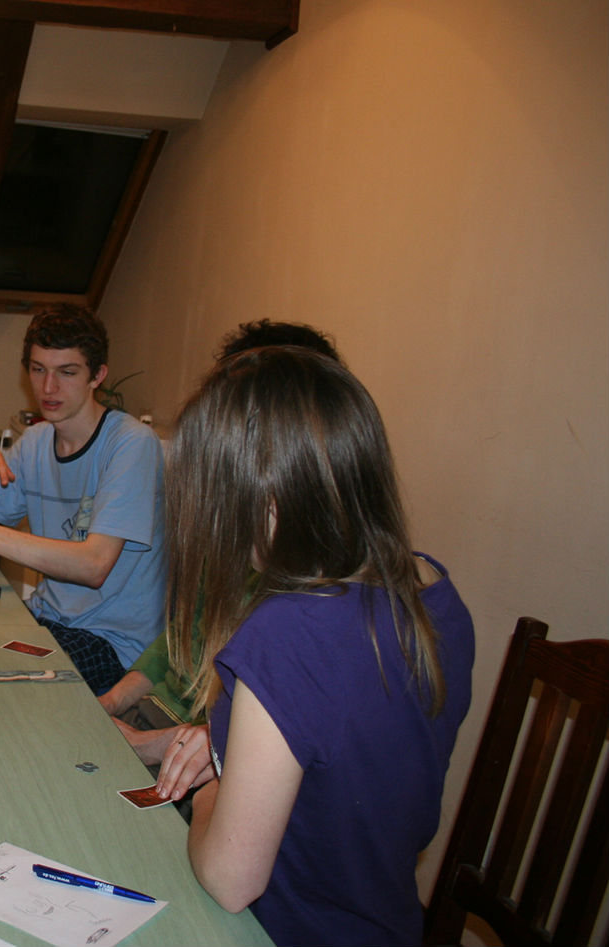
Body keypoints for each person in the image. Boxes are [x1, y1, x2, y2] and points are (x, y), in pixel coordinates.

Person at [161, 347, 473, 946]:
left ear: (267, 499)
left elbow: (230, 880)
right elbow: (348, 745)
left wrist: (213, 792)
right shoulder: (436, 595)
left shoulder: (288, 631)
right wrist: (232, 748)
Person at [98, 320, 342, 798]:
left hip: (187, 754)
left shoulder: (308, 604)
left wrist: (146, 745)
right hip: (160, 725)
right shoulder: (239, 536)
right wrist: (110, 702)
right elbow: (175, 641)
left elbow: (235, 750)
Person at [0, 305, 166, 693]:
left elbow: (94, 566)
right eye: (38, 370)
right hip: (47, 620)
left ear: (97, 375)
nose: (48, 388)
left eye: (67, 372)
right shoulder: (35, 442)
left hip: (112, 643)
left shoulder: (132, 443)